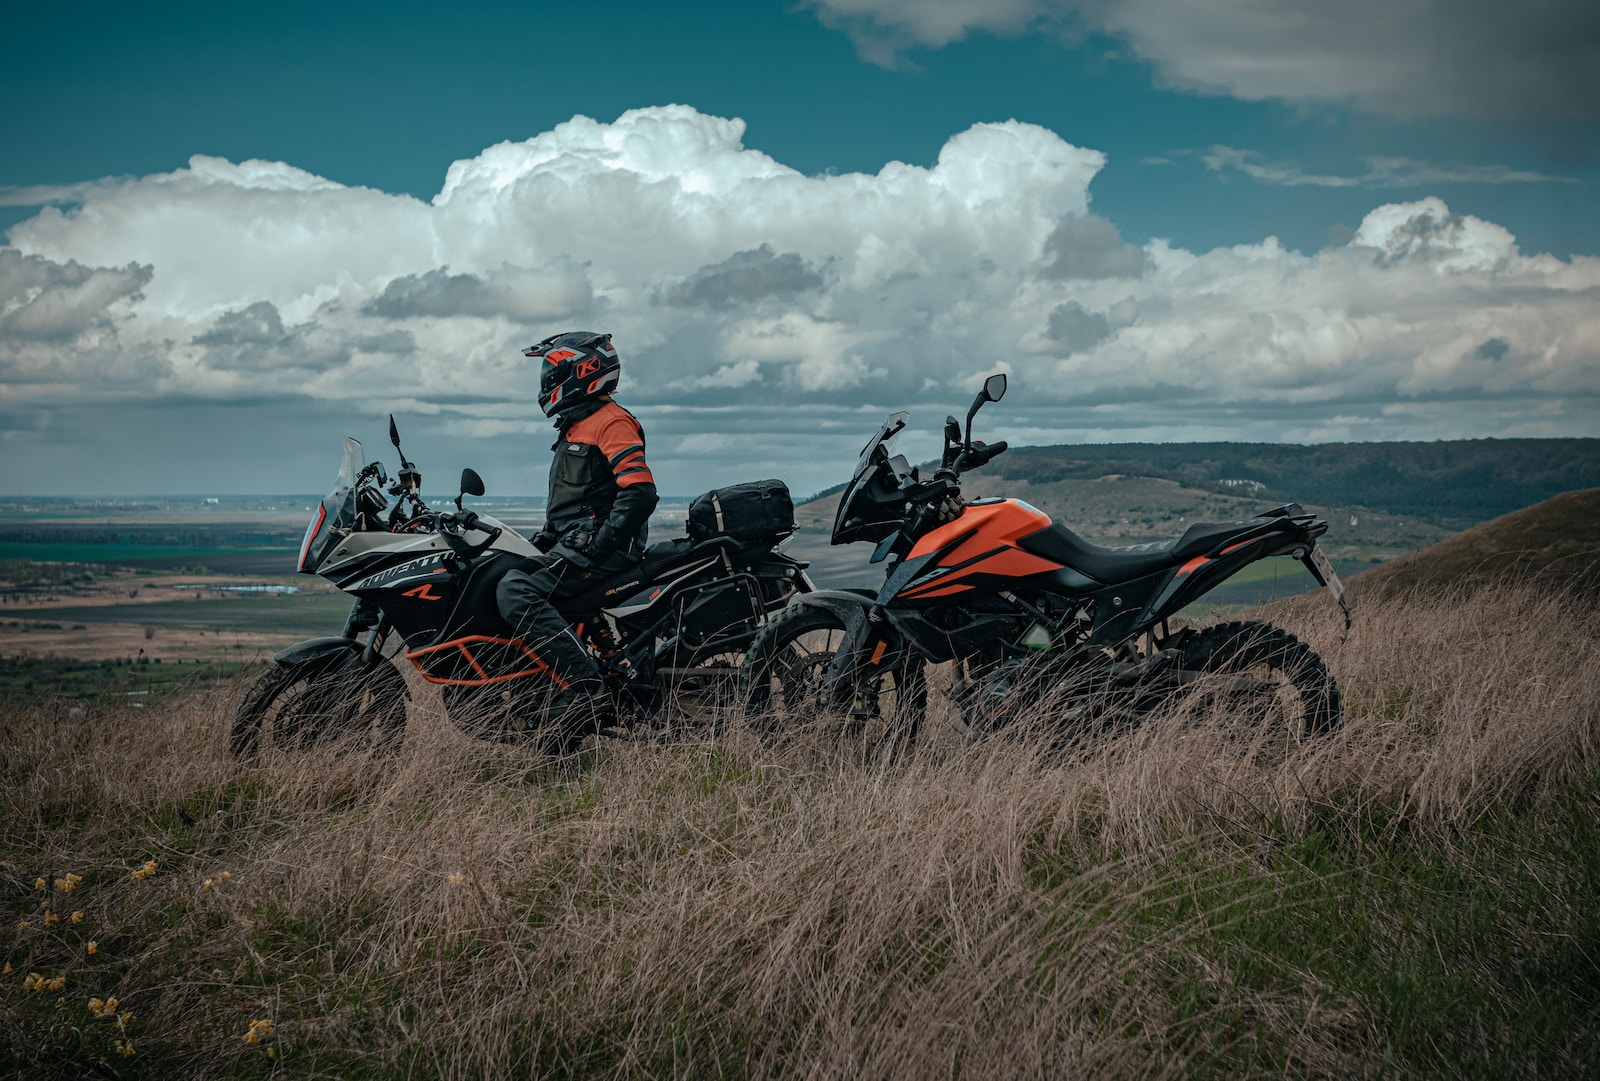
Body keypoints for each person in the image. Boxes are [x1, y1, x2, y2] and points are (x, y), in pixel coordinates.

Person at [497, 331, 659, 721]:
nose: (546, 380)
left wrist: (600, 545)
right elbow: (577, 504)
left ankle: (585, 689)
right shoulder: (577, 425)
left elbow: (640, 492)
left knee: (516, 590)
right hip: (577, 543)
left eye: (552, 371)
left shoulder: (611, 421)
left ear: (581, 370)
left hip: (603, 549)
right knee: (500, 568)